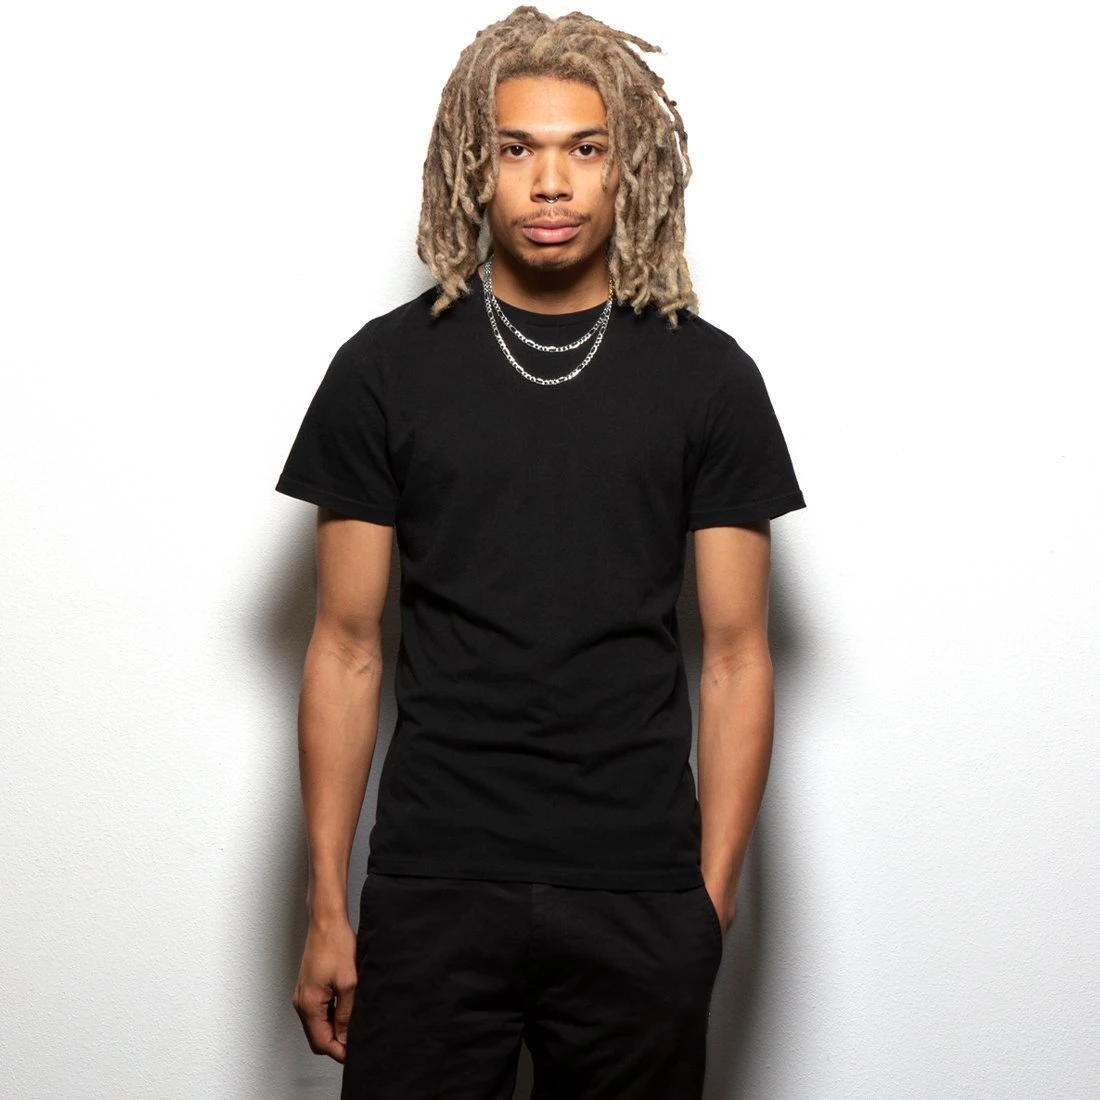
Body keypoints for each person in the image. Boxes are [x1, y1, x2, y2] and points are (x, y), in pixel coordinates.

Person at [275, 7, 805, 1098]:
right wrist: (327, 902)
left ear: (627, 166)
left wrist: (707, 903)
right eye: (516, 148)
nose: (550, 183)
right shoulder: (382, 371)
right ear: (473, 164)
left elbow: (737, 656)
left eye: (584, 148)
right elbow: (344, 646)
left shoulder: (709, 379)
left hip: (637, 887)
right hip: (433, 878)